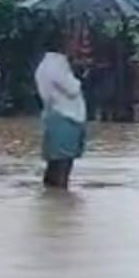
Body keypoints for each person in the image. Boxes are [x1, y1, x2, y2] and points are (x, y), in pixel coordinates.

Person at [34, 29, 88, 189]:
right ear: (62, 44)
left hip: (56, 115)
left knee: (54, 164)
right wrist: (79, 74)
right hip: (65, 117)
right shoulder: (56, 65)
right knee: (63, 164)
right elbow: (73, 89)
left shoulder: (48, 64)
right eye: (71, 41)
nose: (75, 45)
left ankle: (52, 200)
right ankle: (61, 202)